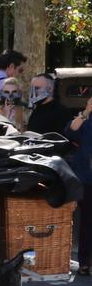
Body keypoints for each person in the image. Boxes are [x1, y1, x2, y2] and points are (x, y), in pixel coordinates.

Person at [63, 99, 92, 275]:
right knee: (88, 221)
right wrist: (86, 111)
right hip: (88, 177)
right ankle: (85, 262)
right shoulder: (87, 121)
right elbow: (70, 131)